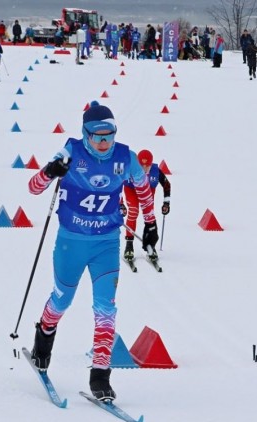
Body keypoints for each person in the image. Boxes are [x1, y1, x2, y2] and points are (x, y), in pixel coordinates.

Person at [27, 101, 159, 402]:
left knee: (106, 309)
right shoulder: (71, 151)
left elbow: (143, 188)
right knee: (62, 300)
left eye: (109, 135)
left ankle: (100, 375)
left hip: (106, 243)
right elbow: (33, 188)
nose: (104, 143)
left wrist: (150, 223)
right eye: (97, 136)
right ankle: (43, 340)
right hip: (71, 241)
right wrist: (50, 171)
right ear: (85, 134)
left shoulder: (125, 156)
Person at [120, 149, 170, 260]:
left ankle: (151, 245)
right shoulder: (129, 169)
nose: (144, 169)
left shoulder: (156, 171)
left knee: (149, 216)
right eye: (141, 165)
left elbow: (167, 185)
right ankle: (129, 245)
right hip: (131, 190)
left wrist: (166, 203)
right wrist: (121, 204)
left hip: (148, 189)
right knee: (133, 211)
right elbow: (117, 184)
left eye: (147, 166)